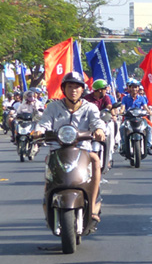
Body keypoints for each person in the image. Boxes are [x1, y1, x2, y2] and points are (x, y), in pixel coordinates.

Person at [33, 72, 106, 229]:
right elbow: (44, 123)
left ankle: (92, 205)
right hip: (58, 150)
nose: (73, 90)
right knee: (48, 167)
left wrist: (99, 129)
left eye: (77, 87)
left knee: (95, 160)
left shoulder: (90, 107)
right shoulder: (53, 107)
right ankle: (48, 204)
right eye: (70, 87)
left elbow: (96, 121)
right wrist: (38, 131)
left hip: (83, 150)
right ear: (64, 89)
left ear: (82, 90)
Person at [119, 79, 152, 155]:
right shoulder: (125, 98)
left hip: (140, 119)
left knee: (149, 128)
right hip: (128, 119)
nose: (134, 89)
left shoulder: (142, 98)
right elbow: (123, 108)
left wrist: (149, 111)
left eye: (136, 87)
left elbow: (145, 107)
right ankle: (124, 146)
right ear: (129, 88)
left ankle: (148, 146)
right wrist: (121, 112)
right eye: (132, 87)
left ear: (138, 88)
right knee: (122, 128)